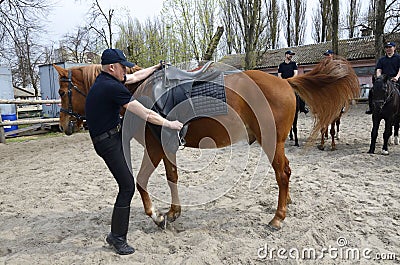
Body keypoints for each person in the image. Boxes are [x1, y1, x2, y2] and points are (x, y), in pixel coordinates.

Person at [85, 48, 183, 255]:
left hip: (112, 135)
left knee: (127, 184)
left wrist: (156, 67)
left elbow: (136, 76)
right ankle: (117, 238)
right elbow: (146, 113)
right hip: (108, 142)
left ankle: (116, 235)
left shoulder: (105, 80)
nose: (125, 71)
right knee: (127, 186)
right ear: (112, 67)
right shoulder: (112, 87)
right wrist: (170, 123)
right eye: (122, 67)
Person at [366, 41, 400, 114]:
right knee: (372, 91)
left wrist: (397, 77)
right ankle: (371, 108)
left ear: (394, 48)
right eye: (386, 48)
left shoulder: (398, 58)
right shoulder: (382, 59)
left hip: (395, 80)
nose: (388, 49)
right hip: (384, 80)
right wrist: (379, 78)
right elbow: (379, 69)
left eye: (390, 47)